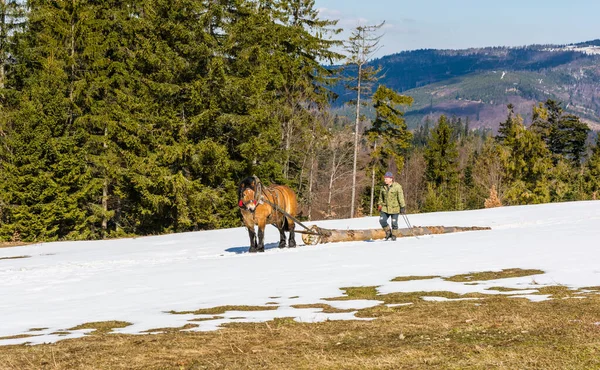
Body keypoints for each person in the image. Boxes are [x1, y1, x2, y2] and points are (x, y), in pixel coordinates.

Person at [377, 171, 406, 241]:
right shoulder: (383, 187)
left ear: (391, 179)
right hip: (385, 208)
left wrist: (402, 206)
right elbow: (381, 197)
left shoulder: (397, 187)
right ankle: (388, 232)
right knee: (382, 220)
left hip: (395, 208)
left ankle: (394, 235)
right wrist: (379, 205)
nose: (385, 180)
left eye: (386, 179)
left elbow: (401, 197)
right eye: (384, 179)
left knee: (394, 223)